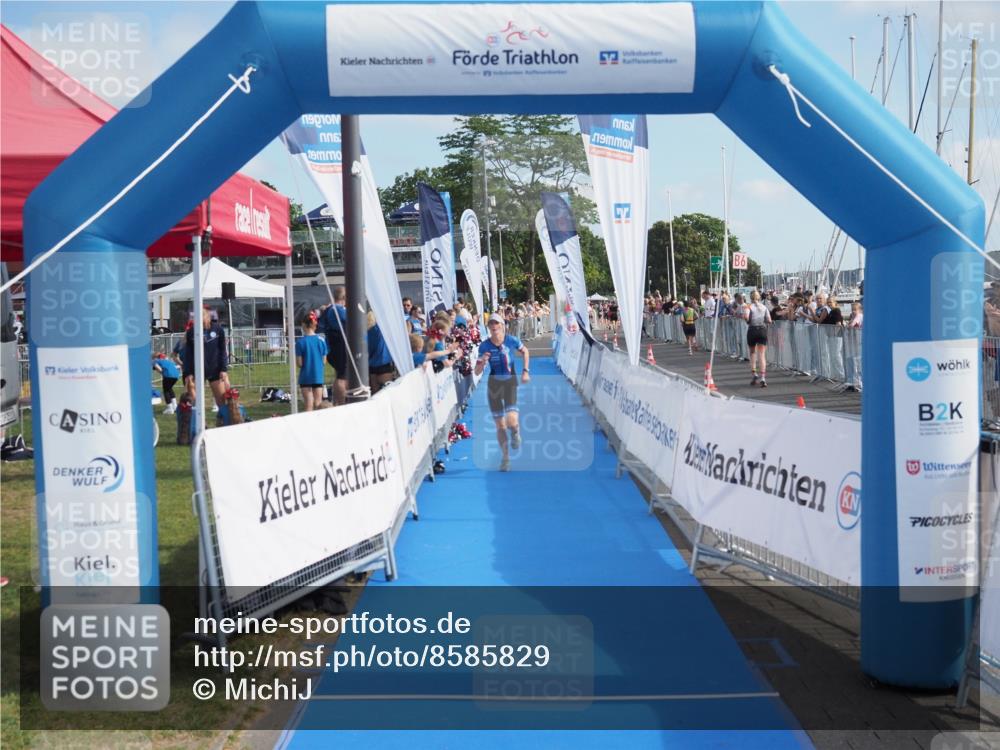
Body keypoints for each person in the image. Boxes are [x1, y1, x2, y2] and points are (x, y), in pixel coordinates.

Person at [475, 316, 530, 472]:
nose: (494, 326)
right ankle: (505, 458)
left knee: (511, 422)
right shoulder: (484, 346)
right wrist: (482, 362)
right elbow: (477, 372)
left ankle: (515, 431)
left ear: (502, 325)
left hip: (509, 383)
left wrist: (525, 371)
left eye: (496, 323)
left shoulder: (511, 340)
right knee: (500, 425)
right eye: (491, 323)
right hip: (494, 385)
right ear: (488, 327)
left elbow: (525, 351)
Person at [182, 306, 230, 409]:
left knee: (222, 402)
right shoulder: (191, 332)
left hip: (215, 370)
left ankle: (223, 417)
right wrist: (188, 373)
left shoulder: (218, 329)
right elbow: (188, 354)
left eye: (202, 317)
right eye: (196, 318)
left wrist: (223, 369)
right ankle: (198, 419)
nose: (199, 320)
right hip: (196, 371)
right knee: (195, 403)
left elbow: (223, 350)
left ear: (207, 317)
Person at [317, 286, 349, 405]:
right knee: (342, 377)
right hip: (338, 346)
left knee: (340, 375)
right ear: (344, 297)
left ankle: (337, 401)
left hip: (334, 346)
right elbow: (351, 321)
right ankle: (341, 403)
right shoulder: (338, 310)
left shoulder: (330, 309)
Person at [295, 313, 328, 411]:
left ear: (304, 325)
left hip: (305, 377)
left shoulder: (300, 342)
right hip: (318, 376)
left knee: (308, 405)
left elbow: (300, 363)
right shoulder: (321, 340)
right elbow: (324, 361)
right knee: (318, 403)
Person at [744, 290, 772, 387]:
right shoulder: (764, 307)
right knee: (762, 354)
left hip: (752, 330)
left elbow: (746, 317)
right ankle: (763, 377)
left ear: (750, 297)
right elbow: (769, 320)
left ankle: (754, 373)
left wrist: (748, 321)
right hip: (762, 330)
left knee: (752, 353)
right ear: (759, 297)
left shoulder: (748, 307)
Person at [367, 311, 396, 394]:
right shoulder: (383, 330)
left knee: (375, 394)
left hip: (372, 366)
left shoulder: (368, 332)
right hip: (384, 365)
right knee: (387, 393)